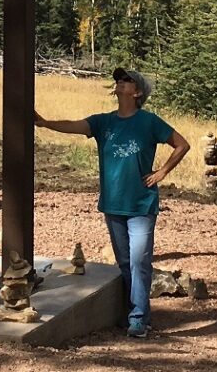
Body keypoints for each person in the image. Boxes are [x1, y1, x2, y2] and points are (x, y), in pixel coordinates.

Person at [33, 66, 189, 338]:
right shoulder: (104, 122)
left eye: (127, 80)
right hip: (113, 204)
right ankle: (134, 313)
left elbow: (182, 144)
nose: (120, 82)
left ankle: (139, 318)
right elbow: (75, 125)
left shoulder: (149, 122)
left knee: (140, 261)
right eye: (118, 79)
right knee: (125, 263)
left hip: (141, 205)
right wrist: (45, 123)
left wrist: (162, 172)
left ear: (137, 92)